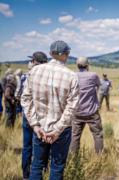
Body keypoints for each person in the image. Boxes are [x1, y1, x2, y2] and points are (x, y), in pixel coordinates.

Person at [21, 40, 79, 179]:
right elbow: (72, 107)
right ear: (67, 54)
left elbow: (25, 99)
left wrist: (35, 125)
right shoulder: (71, 76)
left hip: (40, 127)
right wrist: (57, 130)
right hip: (61, 130)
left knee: (37, 165)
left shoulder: (34, 71)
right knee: (57, 166)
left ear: (50, 53)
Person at [21, 51, 48, 180]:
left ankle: (27, 175)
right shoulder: (49, 75)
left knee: (27, 146)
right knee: (43, 145)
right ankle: (42, 171)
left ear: (34, 61)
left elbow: (24, 97)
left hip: (29, 114)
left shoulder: (30, 74)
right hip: (43, 115)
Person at [70, 57, 104, 154]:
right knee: (97, 134)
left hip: (77, 111)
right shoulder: (93, 75)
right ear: (88, 65)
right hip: (91, 111)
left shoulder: (73, 75)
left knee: (75, 136)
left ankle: (73, 159)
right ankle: (99, 158)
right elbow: (99, 86)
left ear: (77, 65)